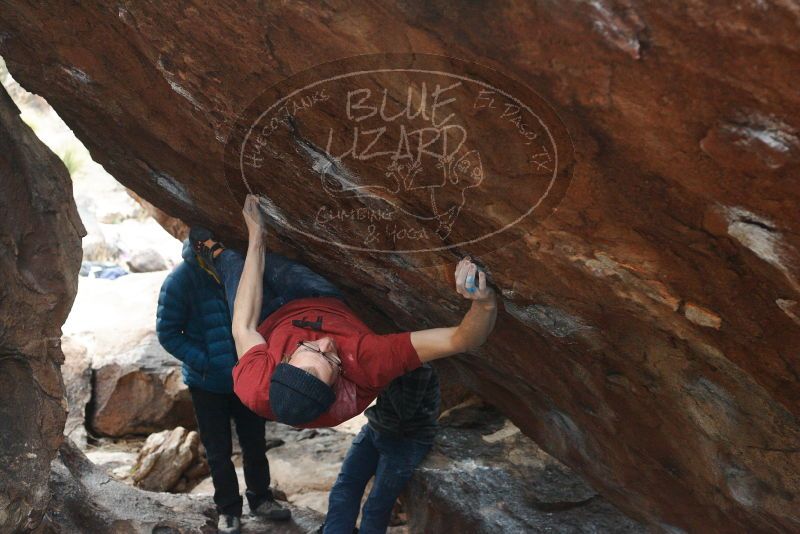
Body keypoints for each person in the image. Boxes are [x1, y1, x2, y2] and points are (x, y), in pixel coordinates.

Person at [195, 193, 496, 429]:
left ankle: (215, 255)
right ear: (340, 380)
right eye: (332, 359)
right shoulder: (366, 363)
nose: (326, 343)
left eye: (312, 348)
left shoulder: (254, 386)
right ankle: (226, 257)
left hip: (263, 324)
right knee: (267, 267)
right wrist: (484, 301)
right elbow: (463, 340)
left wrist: (257, 236)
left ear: (284, 361)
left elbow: (244, 328)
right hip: (320, 300)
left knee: (236, 263)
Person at [156, 239, 290, 534]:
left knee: (255, 443)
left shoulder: (240, 270)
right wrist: (207, 361)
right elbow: (167, 332)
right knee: (218, 451)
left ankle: (261, 499)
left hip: (247, 377)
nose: (216, 249)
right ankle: (228, 510)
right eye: (209, 245)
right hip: (207, 384)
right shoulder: (181, 279)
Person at [321, 364, 440, 534]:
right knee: (344, 487)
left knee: (376, 506)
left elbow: (405, 411)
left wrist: (383, 373)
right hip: (375, 428)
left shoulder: (419, 368)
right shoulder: (387, 358)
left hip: (407, 439)